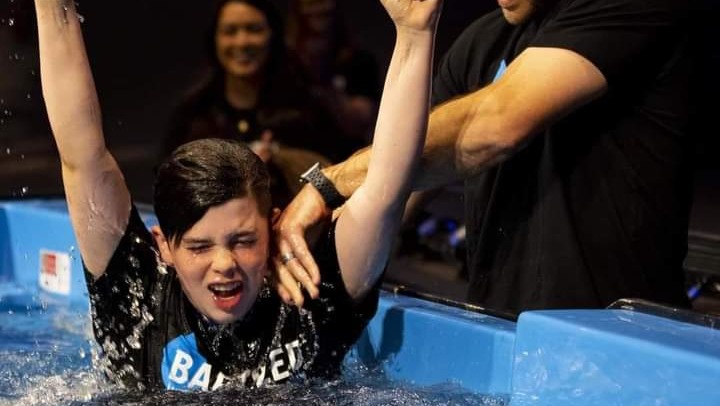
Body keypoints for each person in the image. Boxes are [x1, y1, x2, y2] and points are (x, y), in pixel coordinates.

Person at [35, 0, 439, 392]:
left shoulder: (309, 304)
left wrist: (414, 36)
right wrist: (51, 7)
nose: (224, 264)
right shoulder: (139, 307)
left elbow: (385, 187)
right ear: (164, 247)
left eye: (244, 240)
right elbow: (81, 158)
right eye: (199, 247)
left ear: (273, 228)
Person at [272, 0, 694, 314]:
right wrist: (278, 256)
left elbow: (497, 123)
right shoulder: (482, 41)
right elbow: (389, 195)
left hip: (624, 345)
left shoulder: (636, 5)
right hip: (502, 333)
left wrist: (328, 183)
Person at [160, 0, 350, 207]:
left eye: (254, 29)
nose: (242, 42)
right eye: (230, 31)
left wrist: (285, 161)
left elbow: (339, 192)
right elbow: (170, 196)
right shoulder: (193, 115)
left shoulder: (308, 109)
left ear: (273, 35)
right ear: (214, 39)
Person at [286, 0, 381, 146]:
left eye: (323, 14)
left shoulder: (359, 61)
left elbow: (359, 123)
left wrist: (324, 79)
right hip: (296, 151)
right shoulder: (285, 63)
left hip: (343, 153)